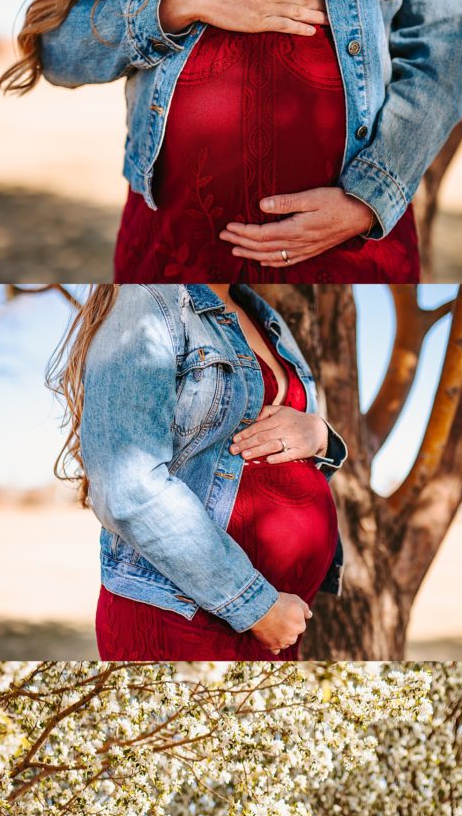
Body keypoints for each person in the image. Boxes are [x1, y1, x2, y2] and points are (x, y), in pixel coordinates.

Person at [3, 0, 462, 281]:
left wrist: (367, 199)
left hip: (348, 242)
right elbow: (58, 47)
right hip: (172, 242)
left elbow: (440, 45)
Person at [48, 281, 347, 662]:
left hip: (278, 619)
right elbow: (127, 488)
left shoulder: (264, 315)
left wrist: (321, 435)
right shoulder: (147, 299)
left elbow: (284, 451)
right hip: (186, 611)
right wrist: (256, 605)